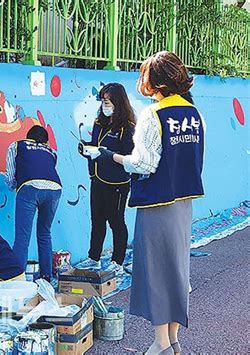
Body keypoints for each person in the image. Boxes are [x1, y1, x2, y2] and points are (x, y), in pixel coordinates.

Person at [99, 51, 205, 355]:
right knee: (177, 268)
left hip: (157, 202)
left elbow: (143, 163)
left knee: (157, 270)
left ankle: (159, 342)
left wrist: (114, 157)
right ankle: (172, 339)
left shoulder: (153, 114)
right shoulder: (195, 113)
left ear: (154, 81)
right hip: (184, 203)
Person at [78, 83, 135, 274]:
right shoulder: (99, 123)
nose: (105, 105)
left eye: (108, 101)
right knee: (97, 221)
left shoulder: (127, 127)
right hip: (97, 178)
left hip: (117, 182)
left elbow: (129, 156)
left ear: (118, 102)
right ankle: (94, 257)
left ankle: (117, 260)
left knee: (116, 221)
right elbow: (95, 146)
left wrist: (107, 154)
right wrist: (86, 149)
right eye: (103, 101)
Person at [5, 125, 62, 280]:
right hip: (55, 189)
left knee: (22, 237)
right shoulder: (52, 152)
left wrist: (14, 187)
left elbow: (10, 176)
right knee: (44, 234)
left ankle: (17, 280)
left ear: (28, 136)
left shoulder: (17, 145)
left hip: (29, 188)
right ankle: (46, 278)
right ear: (46, 140)